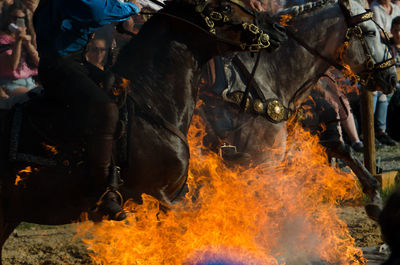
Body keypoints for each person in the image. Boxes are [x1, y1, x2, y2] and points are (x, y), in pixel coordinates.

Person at [33, 0, 140, 221]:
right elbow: (96, 11)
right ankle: (100, 190)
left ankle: (118, 172)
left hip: (75, 63)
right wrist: (131, 8)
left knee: (123, 88)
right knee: (107, 110)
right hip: (59, 67)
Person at [0, 3, 38, 96]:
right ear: (8, 18)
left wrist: (29, 45)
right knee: (31, 98)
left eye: (22, 19)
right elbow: (13, 66)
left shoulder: (30, 36)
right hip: (11, 82)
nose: (18, 22)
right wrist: (18, 42)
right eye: (15, 18)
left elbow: (38, 63)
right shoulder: (3, 39)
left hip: (29, 80)